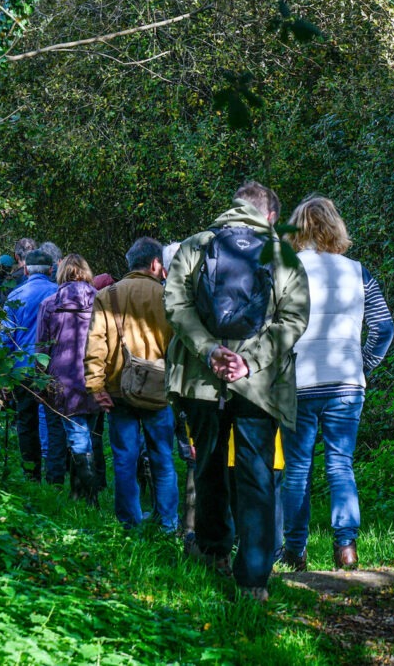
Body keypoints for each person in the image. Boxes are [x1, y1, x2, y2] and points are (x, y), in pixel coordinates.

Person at [164, 181, 310, 602]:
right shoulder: (281, 255)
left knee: (207, 465)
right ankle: (254, 579)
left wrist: (210, 351)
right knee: (257, 476)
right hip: (259, 385)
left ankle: (213, 553)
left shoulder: (195, 245)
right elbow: (294, 318)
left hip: (200, 380)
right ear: (269, 217)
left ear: (235, 207)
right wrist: (250, 362)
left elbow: (174, 304)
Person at [279, 195, 394, 572]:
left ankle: (294, 550)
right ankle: (346, 547)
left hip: (298, 382)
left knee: (297, 469)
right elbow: (383, 326)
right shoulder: (357, 271)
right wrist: (363, 365)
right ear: (334, 227)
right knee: (340, 465)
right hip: (346, 383)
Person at [84, 238, 179, 531]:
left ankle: (129, 524)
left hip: (118, 390)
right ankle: (168, 524)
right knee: (163, 457)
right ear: (155, 264)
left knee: (124, 460)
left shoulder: (107, 296)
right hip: (159, 391)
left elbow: (95, 344)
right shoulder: (168, 296)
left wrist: (95, 386)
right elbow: (178, 345)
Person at [36, 254, 104, 505]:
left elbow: (42, 347)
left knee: (77, 436)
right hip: (96, 374)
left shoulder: (50, 303)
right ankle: (81, 495)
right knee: (86, 432)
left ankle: (90, 499)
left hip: (62, 378)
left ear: (62, 273)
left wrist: (40, 380)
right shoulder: (101, 301)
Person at [1, 249, 66, 483]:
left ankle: (31, 474)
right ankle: (56, 477)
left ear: (26, 269)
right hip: (54, 365)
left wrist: (2, 370)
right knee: (55, 419)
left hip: (23, 367)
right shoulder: (60, 293)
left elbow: (5, 337)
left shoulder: (16, 295)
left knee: (26, 421)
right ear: (51, 270)